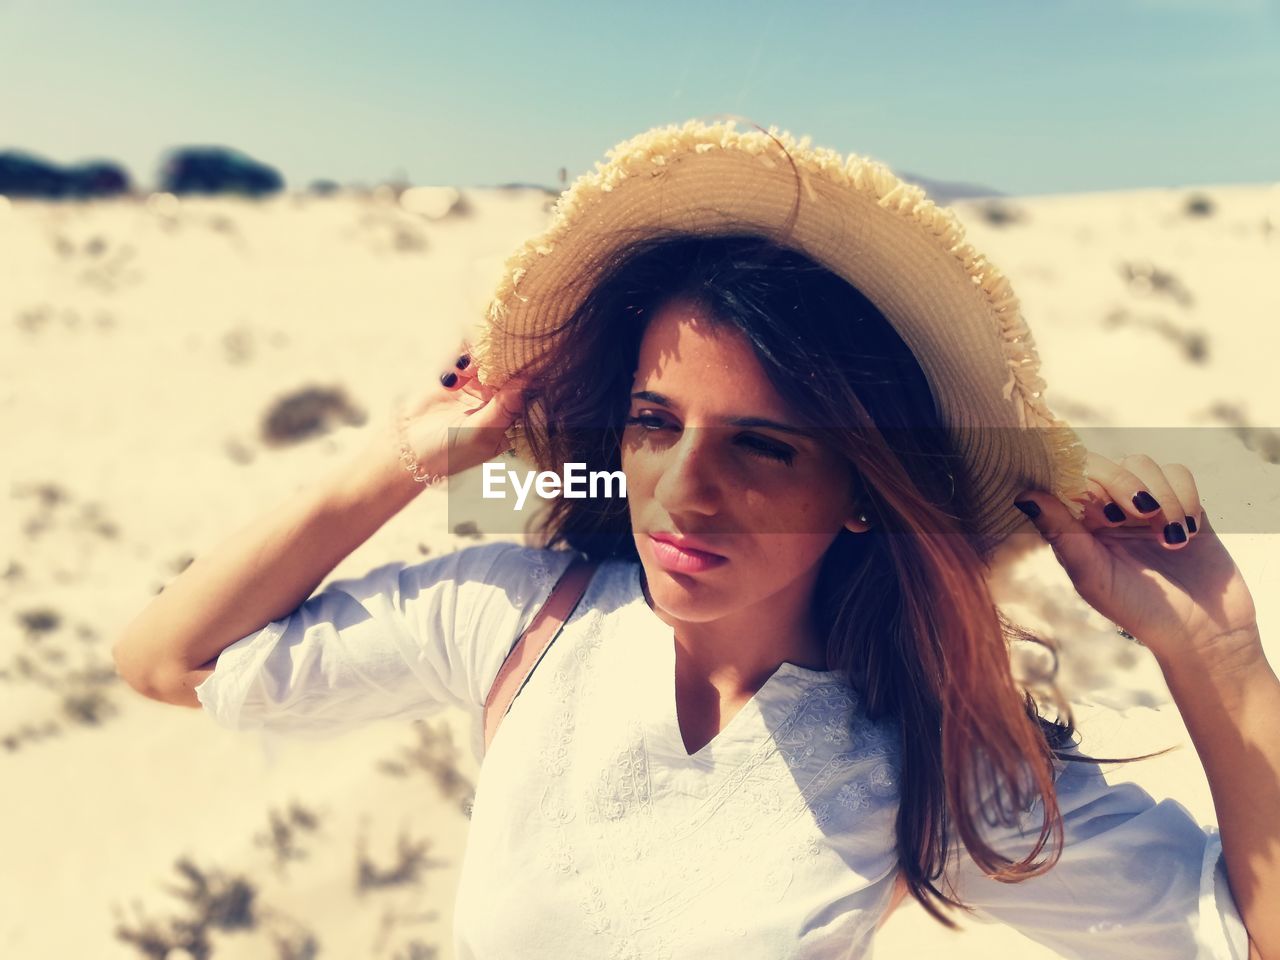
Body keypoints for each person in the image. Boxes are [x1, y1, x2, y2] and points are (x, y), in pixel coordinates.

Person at [111, 118, 1275, 959]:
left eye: (764, 447)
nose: (682, 491)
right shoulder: (518, 619)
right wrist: (396, 460)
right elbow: (170, 662)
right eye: (651, 423)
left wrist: (1215, 653)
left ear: (861, 488)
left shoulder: (922, 759)